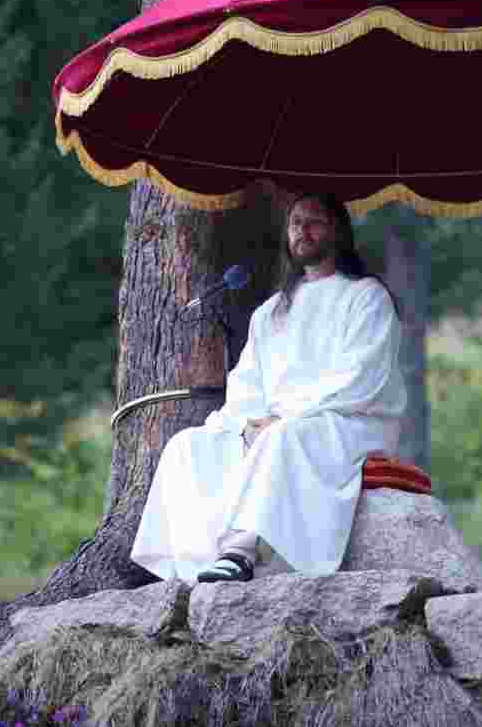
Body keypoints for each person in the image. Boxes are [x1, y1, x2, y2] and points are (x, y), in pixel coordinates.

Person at [129, 193, 408, 583]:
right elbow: (248, 381)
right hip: (277, 423)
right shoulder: (272, 309)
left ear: (339, 232)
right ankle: (193, 565)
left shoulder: (366, 298)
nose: (302, 231)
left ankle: (240, 553)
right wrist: (244, 423)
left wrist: (283, 417)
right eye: (295, 223)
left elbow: (362, 377)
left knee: (281, 438)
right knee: (189, 447)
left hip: (349, 421)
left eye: (314, 223)